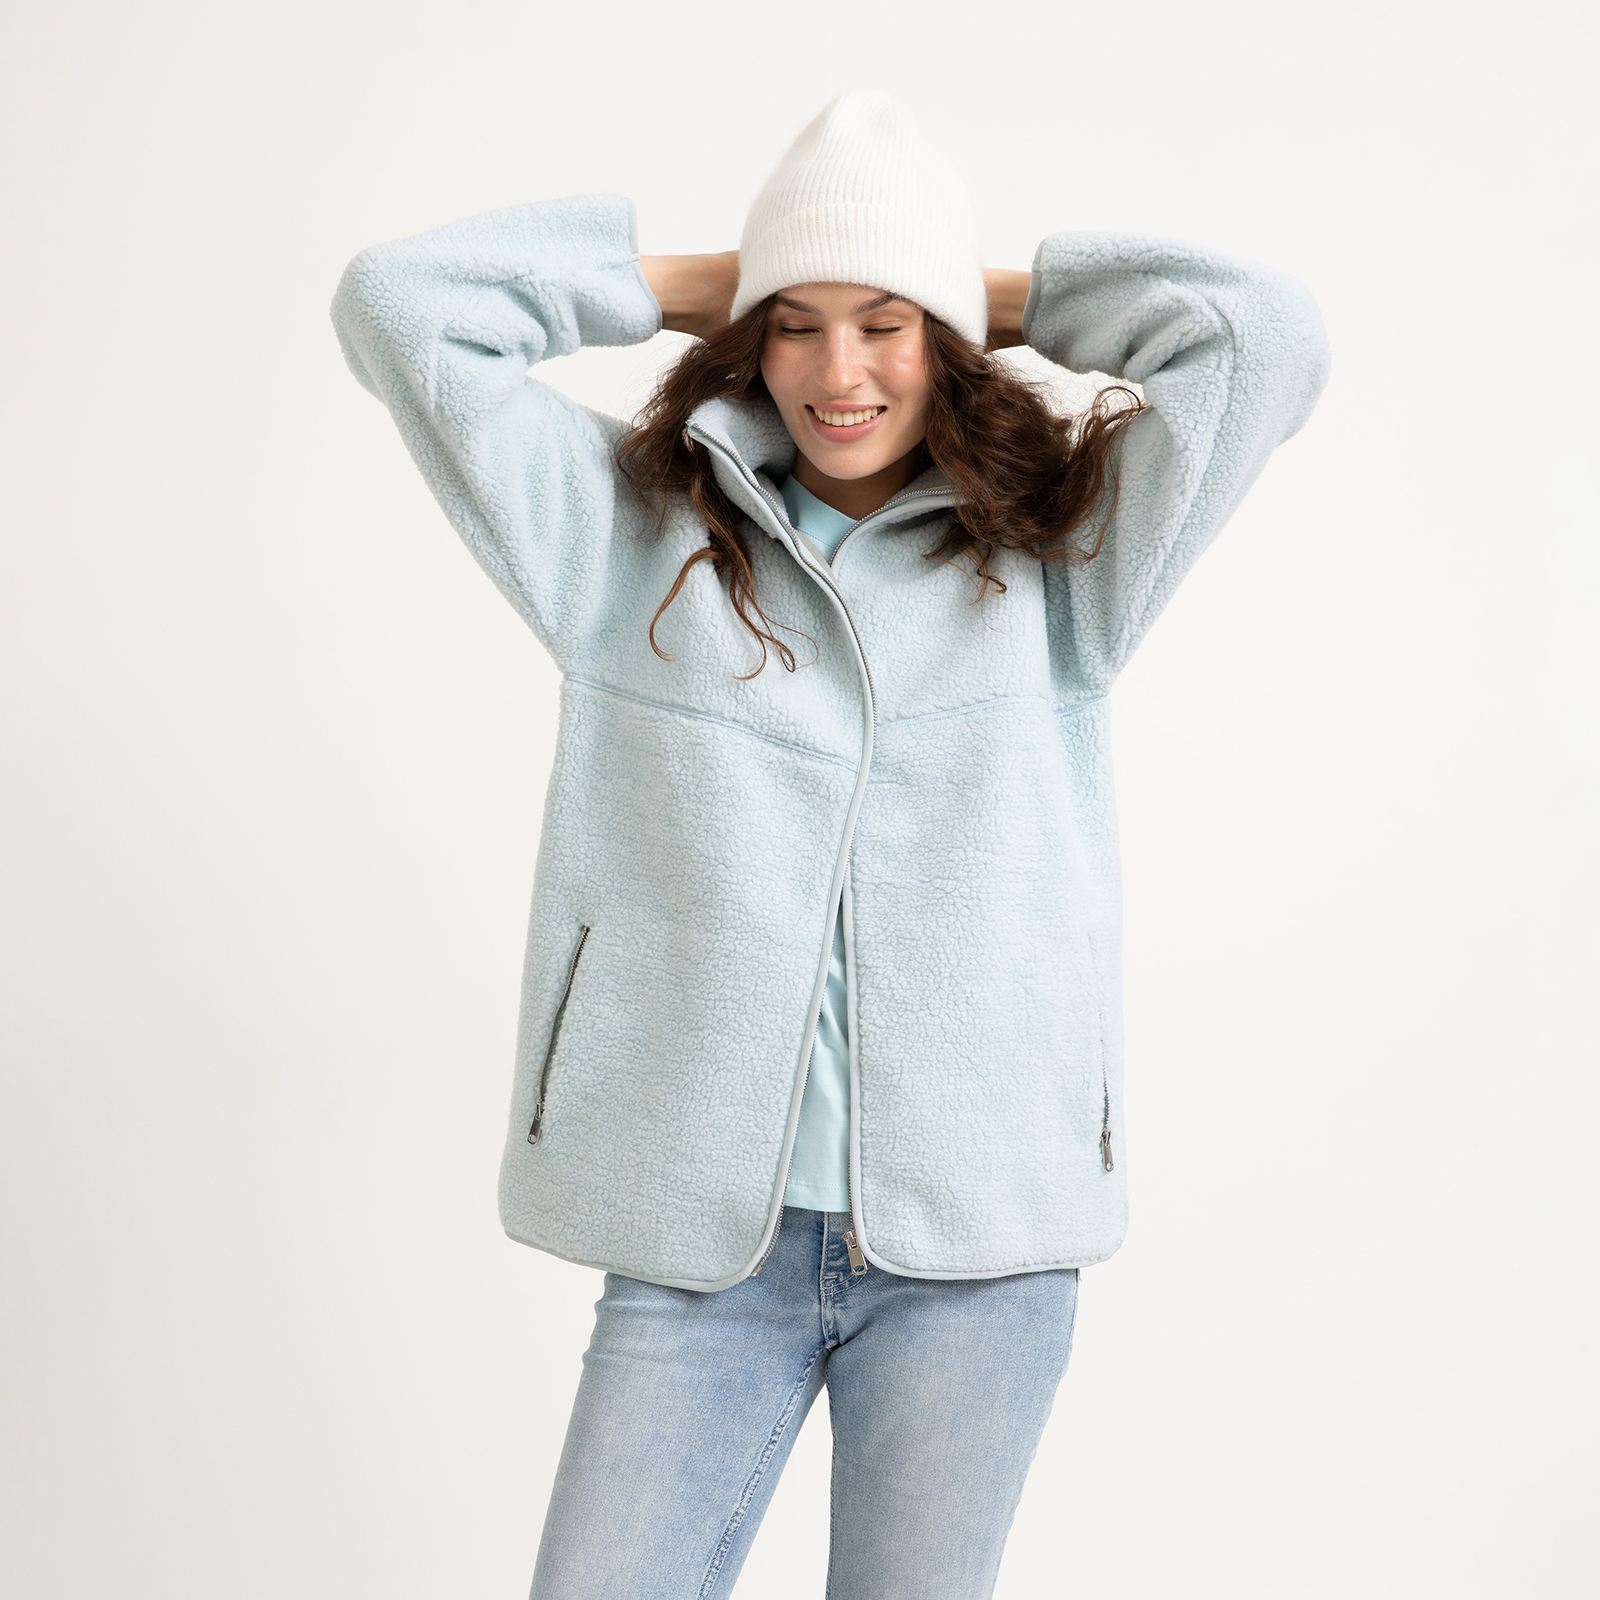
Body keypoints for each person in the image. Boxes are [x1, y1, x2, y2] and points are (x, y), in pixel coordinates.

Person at [331, 89, 1330, 1600]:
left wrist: (978, 288)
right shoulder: (622, 533)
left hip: (975, 1252)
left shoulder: (1066, 549)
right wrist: (701, 281)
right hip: (700, 1248)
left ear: (946, 340)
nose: (838, 371)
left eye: (885, 327)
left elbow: (1266, 337)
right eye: (793, 327)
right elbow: (399, 306)